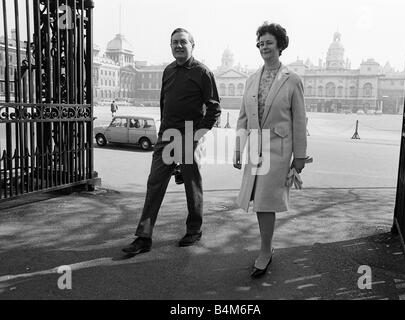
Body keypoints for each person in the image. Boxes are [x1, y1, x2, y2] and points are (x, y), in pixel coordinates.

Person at [122, 28, 221, 254]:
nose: (178, 45)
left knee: (191, 184)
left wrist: (196, 136)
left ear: (192, 45)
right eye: (174, 42)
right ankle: (143, 237)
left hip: (189, 134)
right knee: (154, 183)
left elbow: (215, 109)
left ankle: (194, 230)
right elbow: (164, 103)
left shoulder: (203, 72)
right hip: (166, 136)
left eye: (183, 42)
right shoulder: (168, 70)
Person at [233, 22, 308, 278]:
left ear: (280, 45)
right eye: (260, 43)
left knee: (265, 203)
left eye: (269, 42)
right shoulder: (252, 79)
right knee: (259, 202)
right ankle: (267, 247)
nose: (264, 47)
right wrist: (237, 149)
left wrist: (299, 158)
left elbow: (300, 120)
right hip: (255, 149)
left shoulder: (292, 79)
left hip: (278, 150)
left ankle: (265, 251)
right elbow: (243, 117)